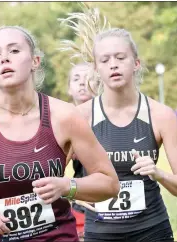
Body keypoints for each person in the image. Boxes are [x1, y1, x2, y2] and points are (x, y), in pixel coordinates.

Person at [0, 26, 120, 242]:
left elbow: (110, 184)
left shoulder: (65, 116)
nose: (5, 58)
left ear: (35, 61)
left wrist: (66, 187)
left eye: (14, 51)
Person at [60, 10, 177, 242]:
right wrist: (75, 194)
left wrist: (158, 174)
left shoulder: (161, 115)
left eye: (120, 57)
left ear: (136, 63)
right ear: (96, 69)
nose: (113, 65)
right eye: (105, 60)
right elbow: (52, 179)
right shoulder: (80, 116)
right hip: (100, 234)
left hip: (152, 231)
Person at [66, 62, 99, 239]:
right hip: (80, 204)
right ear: (69, 88)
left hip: (114, 203)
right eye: (76, 79)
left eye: (88, 78)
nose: (82, 83)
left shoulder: (112, 117)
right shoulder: (61, 120)